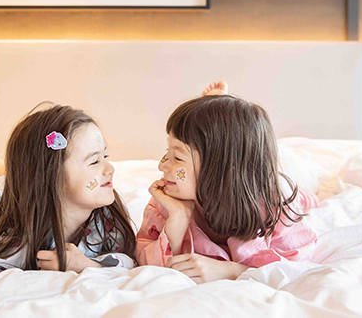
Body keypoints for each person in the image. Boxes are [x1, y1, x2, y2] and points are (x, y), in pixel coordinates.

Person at [135, 82, 319, 283]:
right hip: (230, 178)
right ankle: (217, 111)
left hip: (263, 186)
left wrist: (232, 270)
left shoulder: (275, 204)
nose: (162, 166)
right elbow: (144, 258)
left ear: (220, 168)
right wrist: (179, 218)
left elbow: (296, 265)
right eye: (167, 152)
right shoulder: (168, 199)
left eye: (177, 158)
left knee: (303, 195)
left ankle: (224, 119)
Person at [0, 104, 137, 276]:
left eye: (105, 156)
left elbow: (129, 261)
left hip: (28, 187)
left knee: (6, 177)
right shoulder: (8, 233)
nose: (110, 169)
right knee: (2, 181)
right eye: (95, 161)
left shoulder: (109, 218)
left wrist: (87, 265)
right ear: (52, 176)